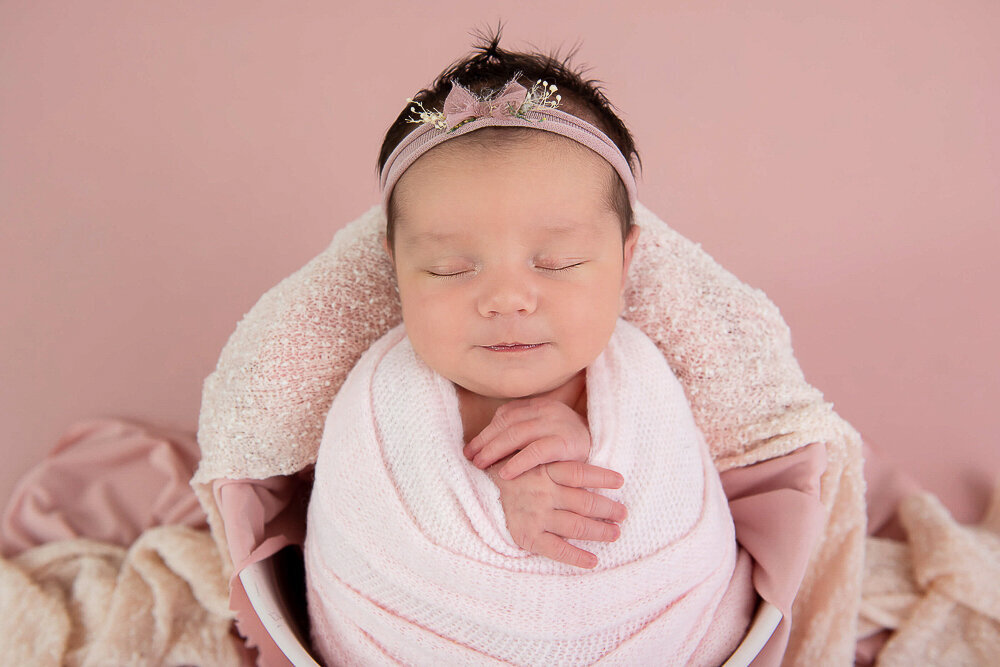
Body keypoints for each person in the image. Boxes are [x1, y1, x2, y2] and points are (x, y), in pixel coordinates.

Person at [302, 29, 763, 666]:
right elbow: (373, 532)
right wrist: (494, 506)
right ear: (395, 266)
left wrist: (593, 452)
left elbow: (670, 513)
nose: (507, 299)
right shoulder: (383, 397)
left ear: (625, 260)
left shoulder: (640, 379)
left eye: (560, 262)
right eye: (448, 269)